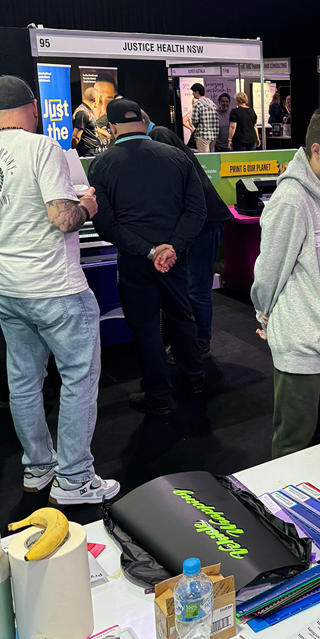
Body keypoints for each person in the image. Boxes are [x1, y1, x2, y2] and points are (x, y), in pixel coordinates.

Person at [0, 75, 118, 504]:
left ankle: (38, 469)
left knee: (22, 381)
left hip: (5, 286)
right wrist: (86, 205)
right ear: (34, 107)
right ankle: (74, 479)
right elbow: (64, 219)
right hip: (55, 287)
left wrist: (17, 222)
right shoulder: (42, 147)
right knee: (78, 378)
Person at [251, 106, 320, 459]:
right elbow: (270, 269)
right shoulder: (291, 199)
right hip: (302, 344)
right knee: (294, 443)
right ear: (316, 150)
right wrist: (263, 312)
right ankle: (283, 497)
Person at [88, 98, 206, 414]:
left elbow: (105, 224)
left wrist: (149, 251)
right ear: (142, 121)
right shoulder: (177, 156)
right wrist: (171, 248)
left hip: (135, 260)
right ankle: (195, 380)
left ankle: (158, 396)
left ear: (112, 128)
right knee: (181, 317)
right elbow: (197, 211)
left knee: (145, 328)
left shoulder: (101, 164)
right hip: (174, 259)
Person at [141, 109, 231, 355]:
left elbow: (172, 181)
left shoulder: (158, 135)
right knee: (190, 286)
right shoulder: (159, 136)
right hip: (198, 221)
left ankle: (199, 342)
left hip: (204, 222)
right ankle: (191, 340)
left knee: (197, 286)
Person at [72, 86, 103, 157]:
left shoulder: (87, 111)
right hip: (88, 153)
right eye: (99, 99)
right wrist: (74, 154)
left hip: (92, 152)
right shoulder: (82, 113)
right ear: (95, 99)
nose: (98, 101)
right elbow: (75, 137)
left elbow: (94, 128)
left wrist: (107, 135)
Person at [189, 84, 219, 153]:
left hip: (202, 134)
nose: (192, 94)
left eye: (193, 92)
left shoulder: (197, 104)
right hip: (213, 135)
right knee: (212, 156)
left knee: (204, 157)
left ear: (197, 92)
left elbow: (194, 120)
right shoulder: (212, 104)